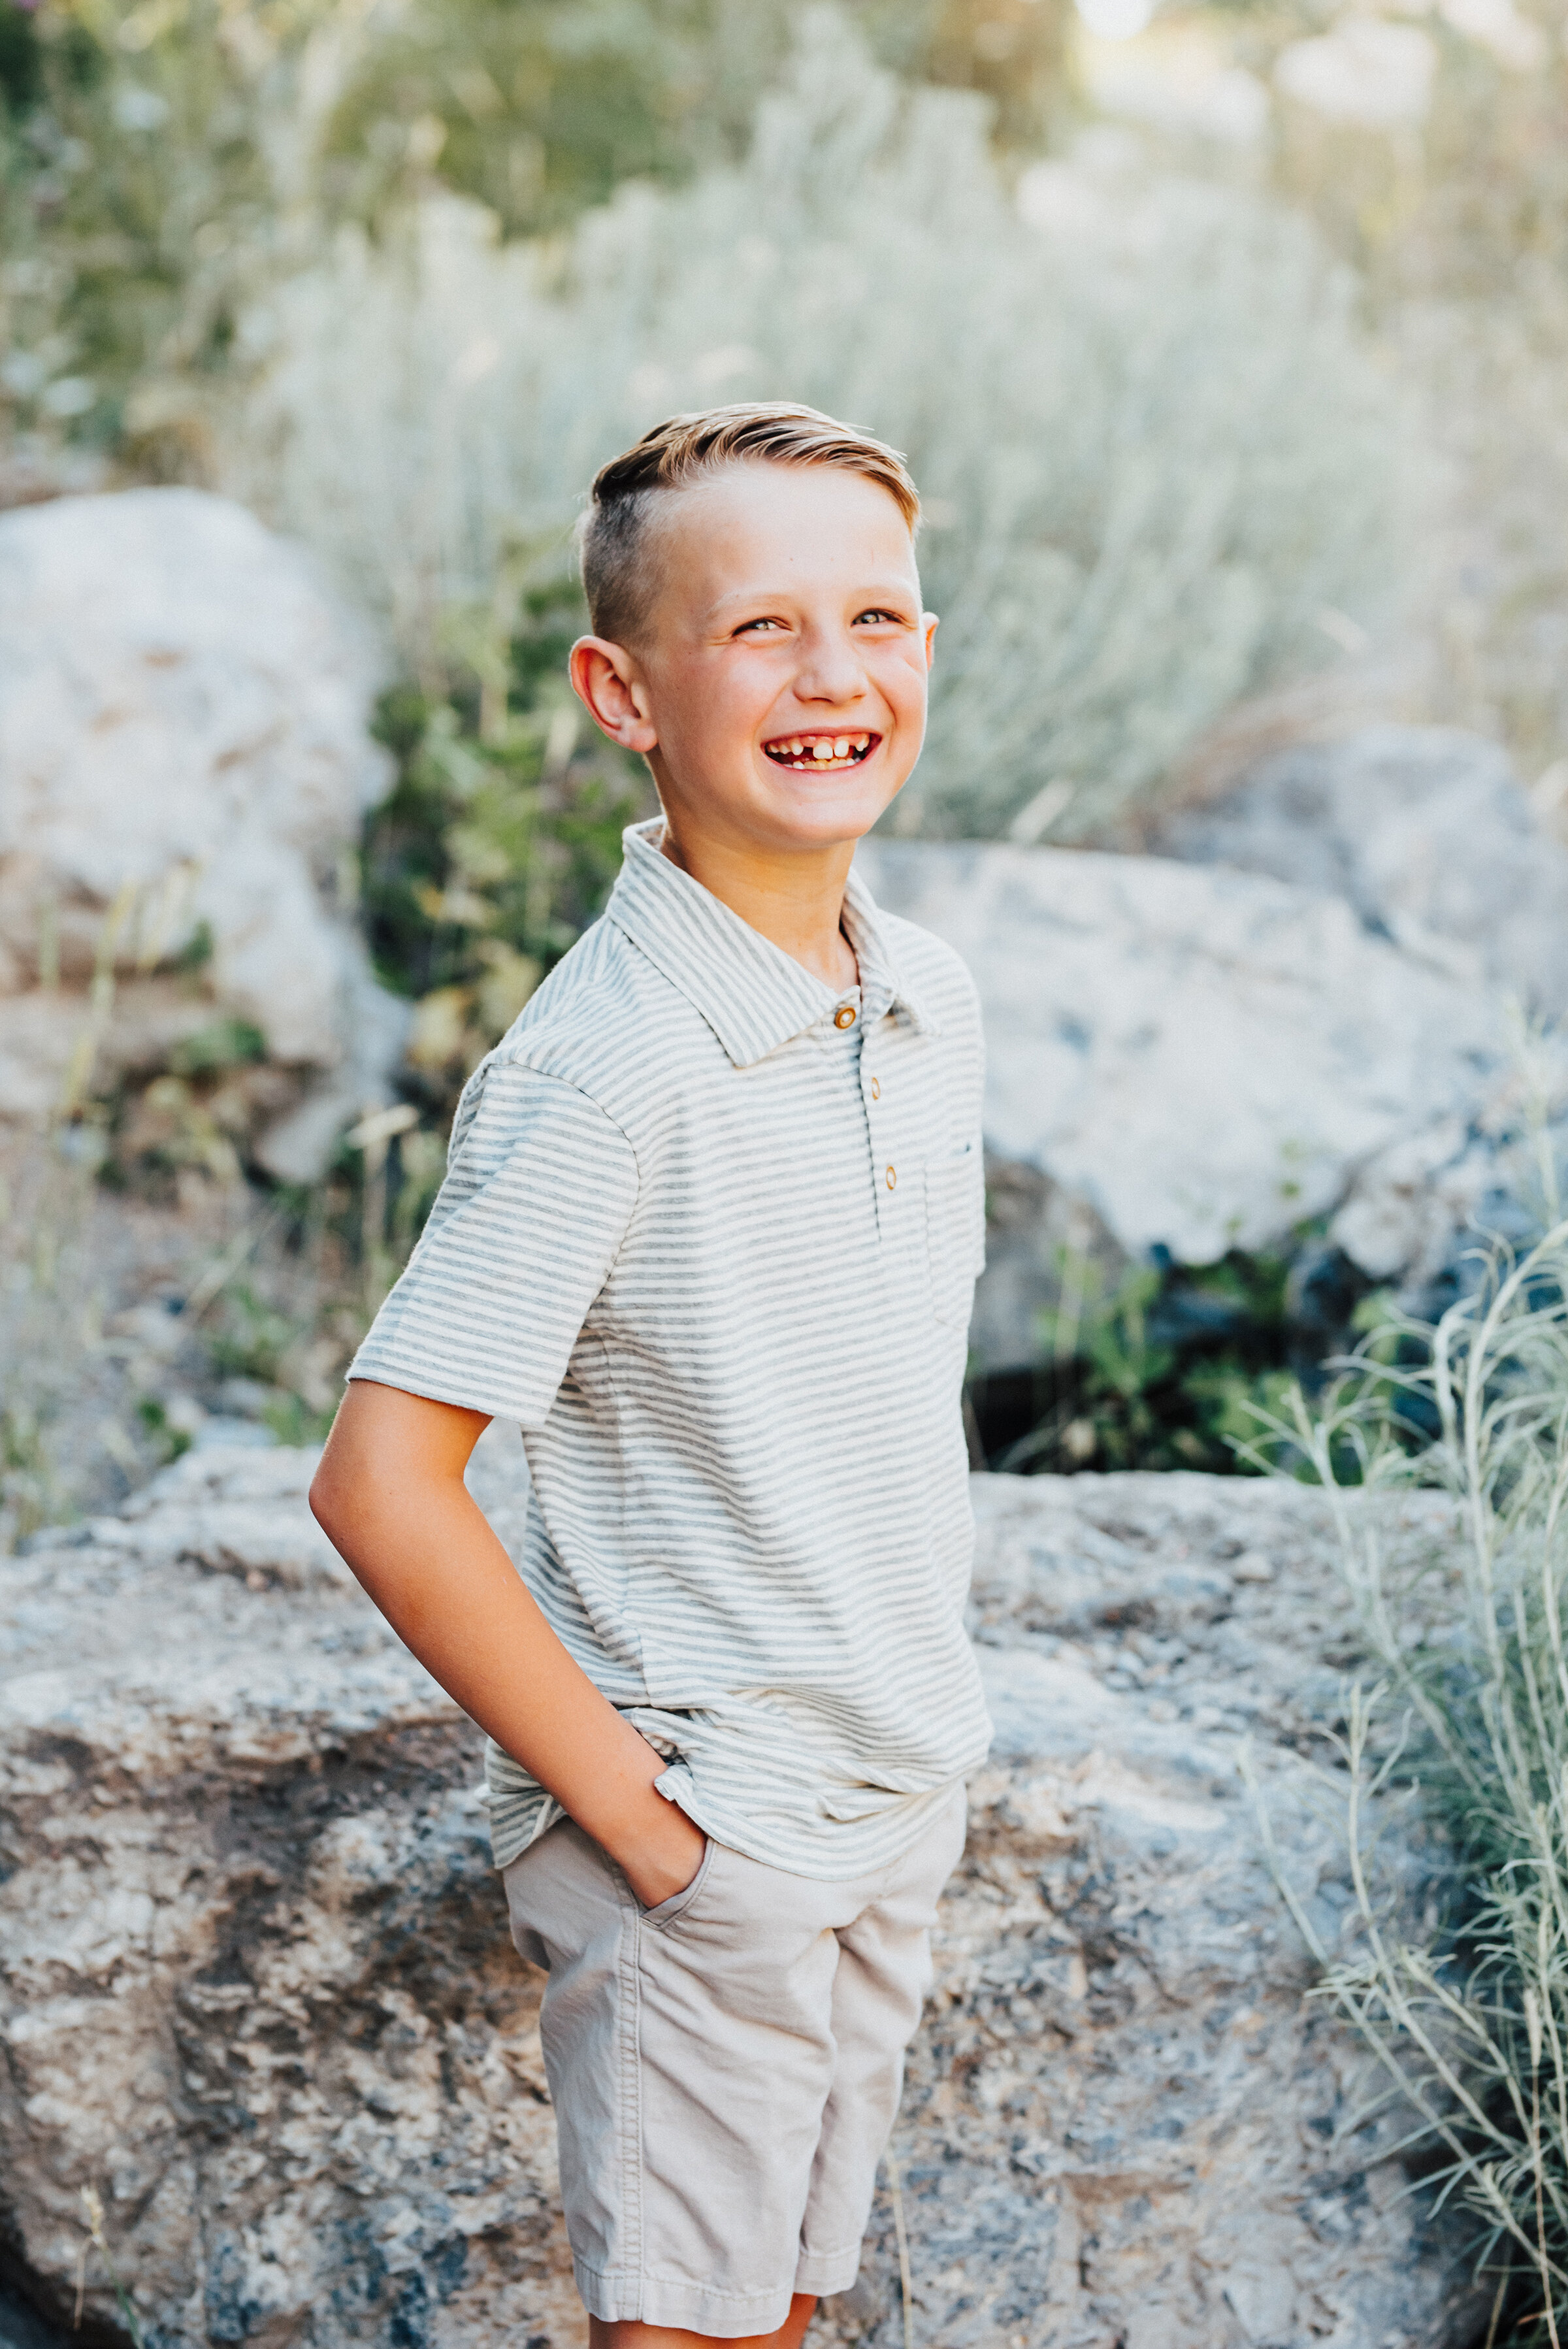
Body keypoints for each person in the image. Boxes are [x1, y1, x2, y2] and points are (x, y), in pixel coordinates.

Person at [309, 402, 992, 2349]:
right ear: (625, 690)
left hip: (889, 1778)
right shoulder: (607, 1068)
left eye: (877, 617)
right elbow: (380, 1477)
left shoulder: (929, 995)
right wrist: (650, 1827)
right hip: (713, 1824)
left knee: (788, 2306)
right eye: (762, 630)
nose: (834, 674)